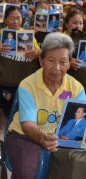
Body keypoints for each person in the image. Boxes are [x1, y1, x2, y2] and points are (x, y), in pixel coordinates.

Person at [6, 33, 86, 179]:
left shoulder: (76, 88)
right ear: (41, 61)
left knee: (75, 169)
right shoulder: (28, 85)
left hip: (63, 140)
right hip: (26, 136)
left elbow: (79, 124)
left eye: (63, 62)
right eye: (51, 60)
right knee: (28, 174)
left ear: (69, 64)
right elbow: (28, 124)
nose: (56, 67)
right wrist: (42, 138)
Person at [0, 6, 40, 130]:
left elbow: (39, 51)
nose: (15, 21)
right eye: (12, 18)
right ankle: (6, 112)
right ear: (5, 20)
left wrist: (37, 52)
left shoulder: (27, 35)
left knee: (19, 96)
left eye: (18, 18)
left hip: (19, 80)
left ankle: (4, 113)